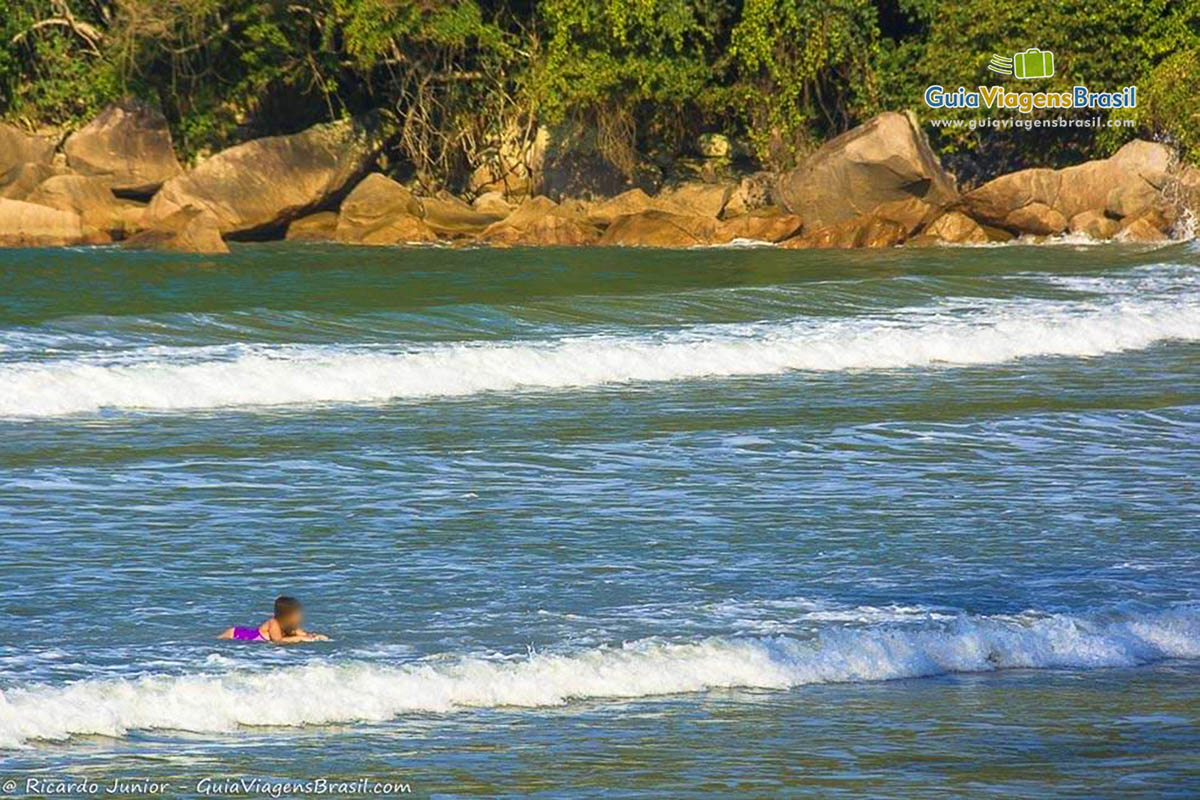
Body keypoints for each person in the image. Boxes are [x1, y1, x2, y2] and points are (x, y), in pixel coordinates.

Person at [218, 596, 330, 643]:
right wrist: (300, 638)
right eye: (297, 613)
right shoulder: (274, 623)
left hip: (245, 637)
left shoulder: (291, 628)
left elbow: (304, 634)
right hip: (236, 633)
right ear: (288, 614)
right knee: (216, 641)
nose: (300, 616)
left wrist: (315, 637)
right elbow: (278, 640)